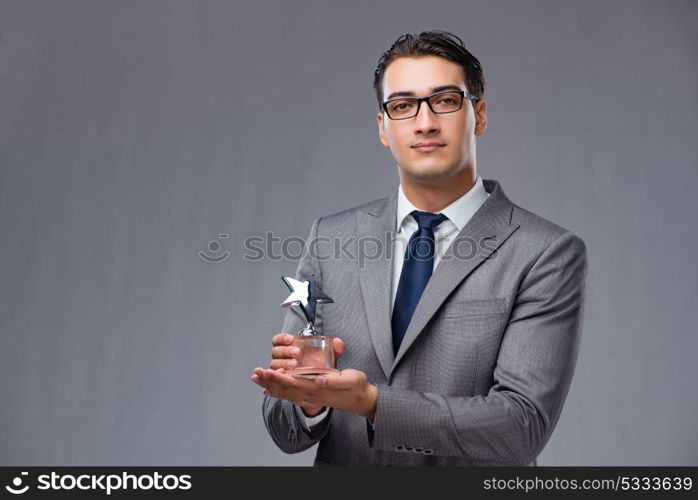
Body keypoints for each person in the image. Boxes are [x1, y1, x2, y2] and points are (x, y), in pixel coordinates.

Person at [251, 30, 587, 466]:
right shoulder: (330, 238)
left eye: (445, 100)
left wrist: (372, 402)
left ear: (479, 115)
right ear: (384, 128)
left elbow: (520, 429)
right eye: (403, 105)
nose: (425, 122)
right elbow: (286, 431)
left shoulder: (546, 252)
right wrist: (310, 401)